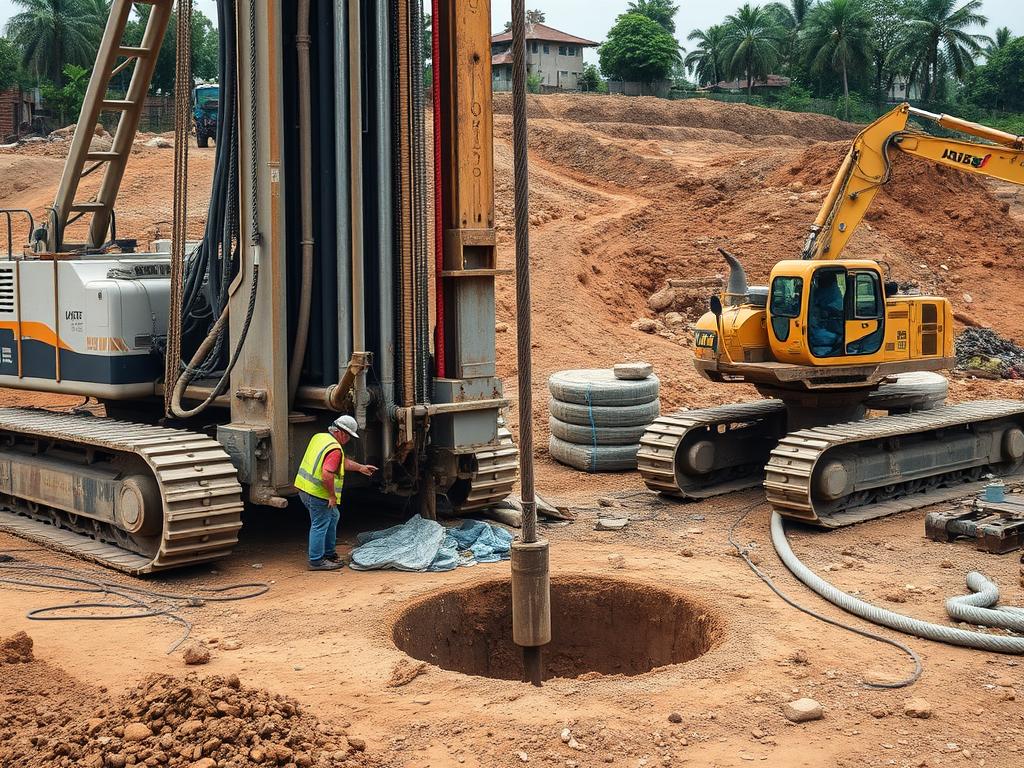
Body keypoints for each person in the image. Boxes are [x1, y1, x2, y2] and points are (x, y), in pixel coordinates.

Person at [293, 415, 377, 571]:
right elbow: (327, 473)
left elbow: (339, 462)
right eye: (349, 436)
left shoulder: (320, 438)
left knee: (333, 516)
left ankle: (329, 554)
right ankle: (316, 561)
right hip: (318, 493)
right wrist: (331, 496)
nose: (348, 439)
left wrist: (360, 468)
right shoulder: (335, 449)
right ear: (341, 432)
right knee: (320, 524)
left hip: (304, 488)